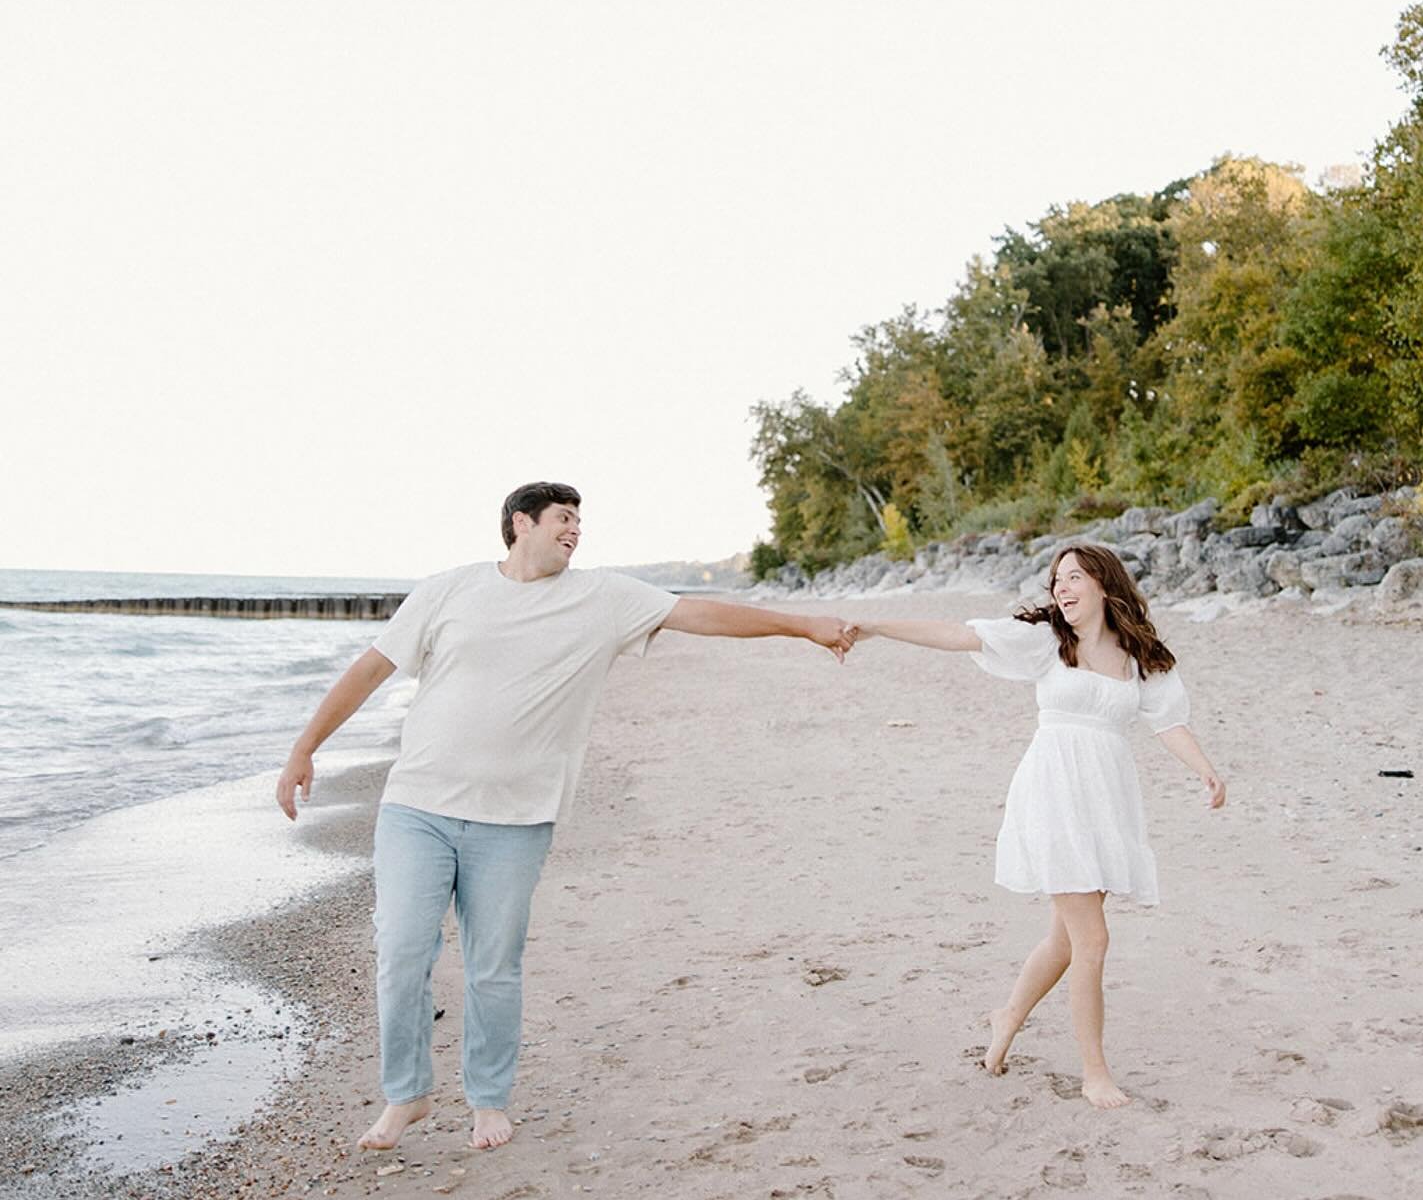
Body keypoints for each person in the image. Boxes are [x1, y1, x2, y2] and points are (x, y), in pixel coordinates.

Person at [275, 481, 851, 1153]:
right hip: (418, 807)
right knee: (401, 951)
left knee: (494, 966)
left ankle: (488, 1099)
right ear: (522, 523)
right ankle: (408, 1094)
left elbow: (704, 615)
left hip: (516, 820)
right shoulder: (448, 590)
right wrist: (304, 748)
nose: (576, 530)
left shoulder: (603, 598)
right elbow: (371, 669)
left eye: (580, 521)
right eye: (564, 518)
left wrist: (803, 626)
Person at [847, 543, 1225, 1109]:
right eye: (1056, 581)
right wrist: (877, 626)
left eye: (1074, 577)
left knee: (1064, 940)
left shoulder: (1136, 655)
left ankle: (1007, 1017)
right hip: (1053, 795)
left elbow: (1168, 721)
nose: (1062, 588)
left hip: (1105, 800)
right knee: (1092, 938)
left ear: (1104, 583)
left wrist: (1206, 772)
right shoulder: (1048, 642)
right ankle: (1094, 1072)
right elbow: (960, 635)